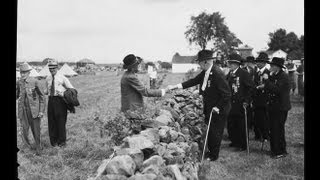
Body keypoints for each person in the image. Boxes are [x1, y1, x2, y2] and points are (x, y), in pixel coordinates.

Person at [168, 49, 231, 161]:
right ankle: (211, 152)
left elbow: (226, 94)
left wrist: (218, 107)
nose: (199, 64)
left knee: (216, 131)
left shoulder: (217, 74)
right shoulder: (205, 72)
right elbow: (192, 81)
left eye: (200, 62)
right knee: (211, 130)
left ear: (205, 62)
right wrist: (175, 86)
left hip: (219, 108)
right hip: (210, 106)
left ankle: (214, 156)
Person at [257, 57, 291, 159]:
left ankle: (280, 151)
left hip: (280, 107)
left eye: (272, 66)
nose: (270, 67)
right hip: (273, 107)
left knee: (278, 129)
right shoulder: (274, 75)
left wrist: (267, 81)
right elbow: (269, 87)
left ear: (277, 67)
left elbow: (276, 89)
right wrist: (263, 86)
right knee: (273, 128)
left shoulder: (283, 76)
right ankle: (274, 149)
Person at [226, 53, 255, 151]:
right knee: (232, 123)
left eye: (230, 63)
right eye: (229, 62)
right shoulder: (229, 74)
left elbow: (250, 88)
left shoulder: (244, 73)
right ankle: (235, 141)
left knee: (241, 124)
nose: (229, 64)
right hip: (231, 103)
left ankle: (243, 145)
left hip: (241, 103)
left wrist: (247, 100)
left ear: (236, 64)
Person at [45, 59, 75, 147]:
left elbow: (72, 90)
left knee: (61, 122)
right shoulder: (48, 78)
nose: (52, 70)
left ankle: (62, 142)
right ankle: (53, 142)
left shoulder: (63, 78)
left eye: (53, 68)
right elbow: (46, 90)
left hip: (60, 101)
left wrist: (63, 93)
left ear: (57, 68)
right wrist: (43, 91)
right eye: (50, 69)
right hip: (51, 101)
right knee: (51, 122)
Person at [16, 62, 45, 154]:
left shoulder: (35, 81)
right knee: (24, 130)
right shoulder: (19, 82)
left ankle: (38, 147)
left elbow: (42, 97)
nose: (23, 74)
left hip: (34, 111)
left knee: (36, 130)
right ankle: (27, 147)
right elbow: (17, 95)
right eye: (21, 72)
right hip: (22, 110)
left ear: (29, 72)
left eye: (25, 72)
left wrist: (41, 111)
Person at [252, 52, 271, 143]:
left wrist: (262, 86)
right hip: (256, 98)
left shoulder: (268, 73)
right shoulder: (256, 72)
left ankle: (265, 135)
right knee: (257, 118)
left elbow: (268, 86)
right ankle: (258, 135)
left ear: (264, 63)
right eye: (257, 62)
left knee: (264, 118)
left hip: (264, 99)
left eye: (259, 62)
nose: (257, 63)